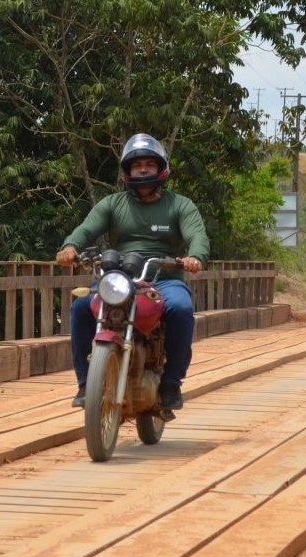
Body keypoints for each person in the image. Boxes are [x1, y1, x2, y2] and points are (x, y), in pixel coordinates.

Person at [55, 133, 210, 409]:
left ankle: (172, 383)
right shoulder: (113, 204)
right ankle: (84, 384)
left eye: (149, 164)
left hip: (164, 279)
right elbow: (86, 229)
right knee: (81, 306)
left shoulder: (180, 205)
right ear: (127, 170)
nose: (143, 169)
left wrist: (195, 257)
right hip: (120, 277)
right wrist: (70, 247)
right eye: (137, 165)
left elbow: (197, 235)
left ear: (160, 168)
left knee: (182, 309)